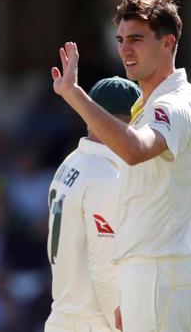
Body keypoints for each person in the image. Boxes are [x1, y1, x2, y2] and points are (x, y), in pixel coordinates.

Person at [51, 0, 191, 331]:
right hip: (150, 274)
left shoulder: (175, 103)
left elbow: (137, 149)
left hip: (161, 272)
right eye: (121, 40)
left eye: (136, 39)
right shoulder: (151, 104)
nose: (125, 50)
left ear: (168, 43)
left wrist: (74, 95)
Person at [45, 77, 140, 332]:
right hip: (91, 322)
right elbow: (105, 269)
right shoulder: (106, 178)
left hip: (63, 317)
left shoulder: (71, 162)